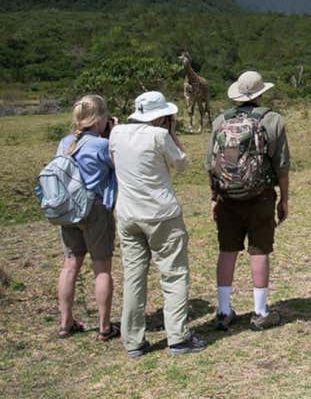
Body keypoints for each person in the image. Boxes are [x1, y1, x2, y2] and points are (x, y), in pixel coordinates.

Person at [109, 91, 205, 358]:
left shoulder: (116, 134)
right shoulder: (159, 136)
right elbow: (182, 164)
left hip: (128, 215)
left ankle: (134, 341)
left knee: (133, 277)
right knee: (173, 274)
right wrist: (173, 133)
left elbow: (114, 160)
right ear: (162, 116)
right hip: (162, 214)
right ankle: (178, 338)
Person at [206, 71, 290, 331]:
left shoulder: (220, 119)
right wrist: (284, 200)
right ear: (260, 93)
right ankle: (260, 311)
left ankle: (223, 310)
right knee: (259, 250)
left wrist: (214, 197)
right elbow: (282, 166)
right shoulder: (273, 120)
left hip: (227, 197)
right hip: (261, 196)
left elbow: (210, 163)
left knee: (227, 250)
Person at [54, 95, 120, 341]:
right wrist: (112, 135)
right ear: (100, 118)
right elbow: (115, 168)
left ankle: (65, 322)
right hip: (94, 208)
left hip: (68, 209)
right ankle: (104, 326)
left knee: (70, 265)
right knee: (101, 268)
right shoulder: (102, 146)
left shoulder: (64, 143)